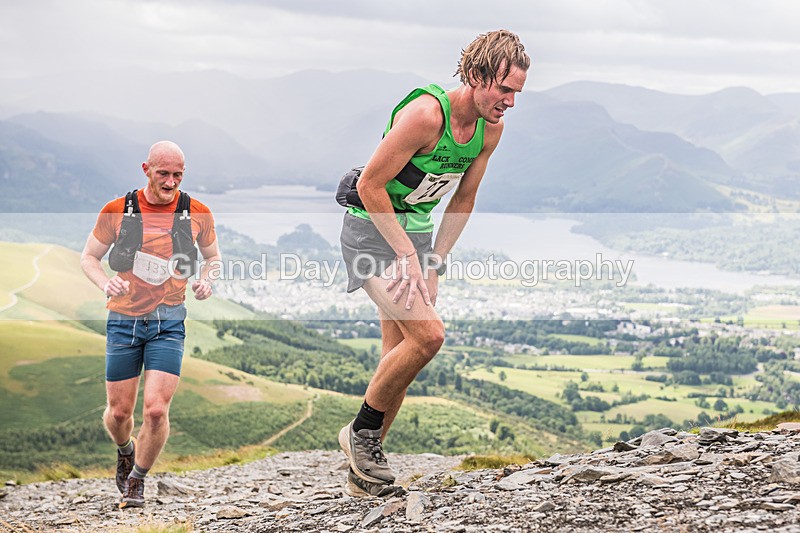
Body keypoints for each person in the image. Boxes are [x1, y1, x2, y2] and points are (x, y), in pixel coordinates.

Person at [337, 30, 530, 494]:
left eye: (517, 94)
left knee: (398, 359)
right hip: (372, 233)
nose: (509, 102)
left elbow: (463, 198)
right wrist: (408, 256)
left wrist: (433, 263)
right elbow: (369, 186)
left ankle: (363, 476)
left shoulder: (490, 130)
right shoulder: (426, 115)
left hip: (417, 238)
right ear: (476, 75)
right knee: (428, 336)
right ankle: (359, 433)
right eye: (504, 89)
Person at [80, 141, 220, 508]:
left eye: (178, 175)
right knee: (119, 414)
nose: (171, 182)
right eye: (163, 174)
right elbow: (90, 257)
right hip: (123, 320)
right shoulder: (116, 210)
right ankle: (125, 450)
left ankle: (137, 480)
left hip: (169, 322)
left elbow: (213, 258)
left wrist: (207, 281)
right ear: (146, 169)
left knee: (156, 410)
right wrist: (104, 283)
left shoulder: (198, 213)